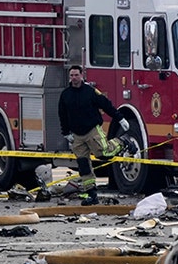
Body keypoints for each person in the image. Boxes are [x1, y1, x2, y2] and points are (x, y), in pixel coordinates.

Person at [58, 65, 137, 205]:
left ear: (82, 75)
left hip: (92, 130)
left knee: (104, 153)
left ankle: (123, 141)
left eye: (76, 75)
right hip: (76, 135)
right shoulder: (65, 95)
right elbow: (62, 115)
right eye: (72, 75)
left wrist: (120, 118)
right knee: (83, 165)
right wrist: (66, 133)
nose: (74, 78)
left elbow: (106, 105)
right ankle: (92, 194)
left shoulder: (90, 91)